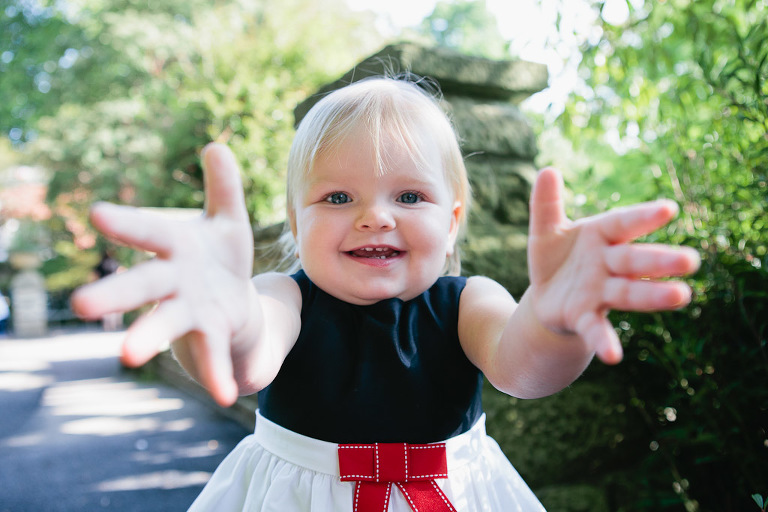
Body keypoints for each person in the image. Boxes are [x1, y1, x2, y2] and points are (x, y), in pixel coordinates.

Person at [71, 77, 700, 511]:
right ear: (296, 225)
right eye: (337, 198)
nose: (375, 217)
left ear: (452, 220)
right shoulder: (282, 299)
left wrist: (555, 320)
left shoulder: (467, 303)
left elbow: (525, 368)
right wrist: (224, 315)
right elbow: (247, 355)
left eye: (409, 196)